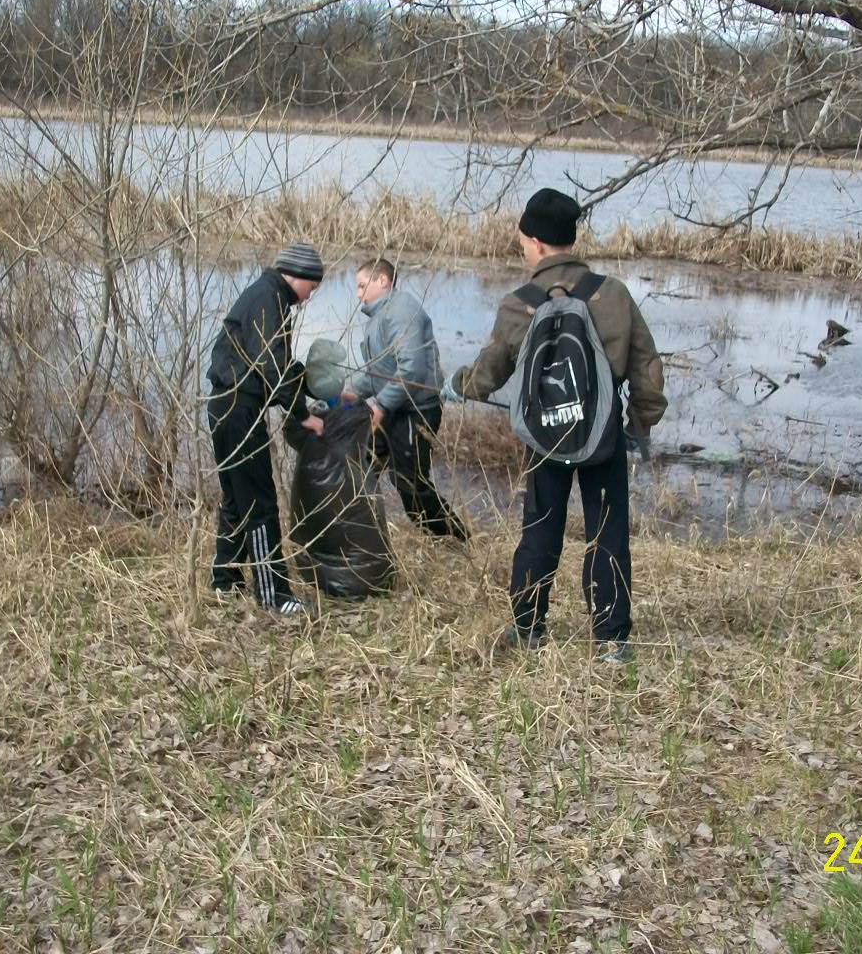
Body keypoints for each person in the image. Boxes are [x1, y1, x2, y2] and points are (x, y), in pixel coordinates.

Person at [441, 189, 667, 662]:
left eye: (523, 240)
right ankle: (610, 641)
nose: (522, 248)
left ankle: (527, 628)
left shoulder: (519, 303)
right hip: (603, 435)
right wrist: (639, 424)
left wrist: (458, 386)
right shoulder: (614, 295)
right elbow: (647, 368)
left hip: (545, 438)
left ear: (539, 243)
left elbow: (490, 371)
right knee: (608, 534)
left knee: (540, 527)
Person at [206, 242, 326, 614]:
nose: (311, 296)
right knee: (260, 505)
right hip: (240, 411)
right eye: (313, 287)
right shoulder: (268, 299)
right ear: (297, 276)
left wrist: (311, 384)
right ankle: (274, 596)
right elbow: (272, 363)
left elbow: (277, 364)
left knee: (235, 499)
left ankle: (223, 580)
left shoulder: (266, 295)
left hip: (224, 406)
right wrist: (300, 415)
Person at [348, 258, 471, 542]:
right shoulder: (379, 318)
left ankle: (455, 539)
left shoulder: (400, 310)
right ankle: (360, 536)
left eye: (362, 285)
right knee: (363, 465)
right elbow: (379, 374)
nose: (358, 294)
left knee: (410, 484)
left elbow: (411, 369)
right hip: (395, 407)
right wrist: (347, 393)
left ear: (383, 280)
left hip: (417, 410)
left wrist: (379, 405)